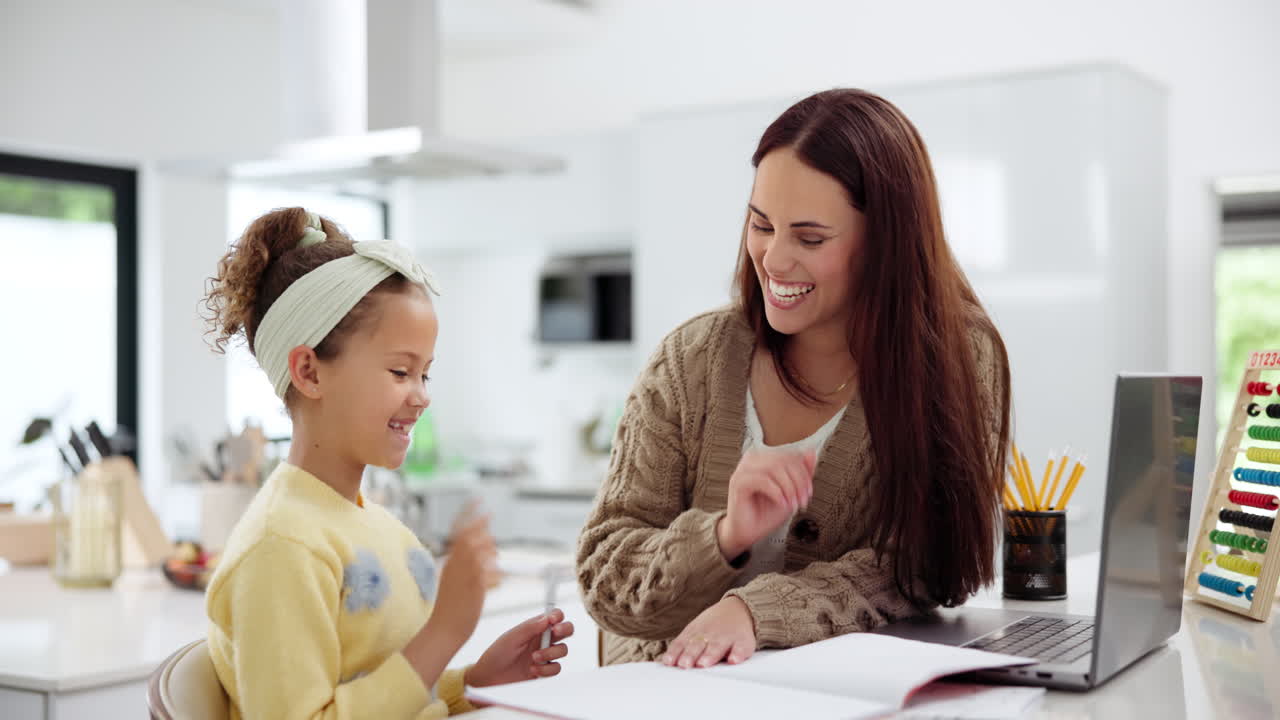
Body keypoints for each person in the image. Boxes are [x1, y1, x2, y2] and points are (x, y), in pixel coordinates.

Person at [576, 88, 1011, 669]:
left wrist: (761, 611)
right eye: (761, 225)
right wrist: (723, 536)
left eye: (810, 238)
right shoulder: (693, 359)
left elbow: (927, 566)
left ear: (886, 244)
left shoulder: (957, 358)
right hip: (663, 691)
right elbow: (606, 577)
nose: (774, 260)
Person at [202, 208, 574, 719]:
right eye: (401, 371)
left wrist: (471, 682)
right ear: (309, 371)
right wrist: (444, 632)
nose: (421, 397)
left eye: (426, 374)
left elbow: (373, 685)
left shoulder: (374, 526)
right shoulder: (281, 546)